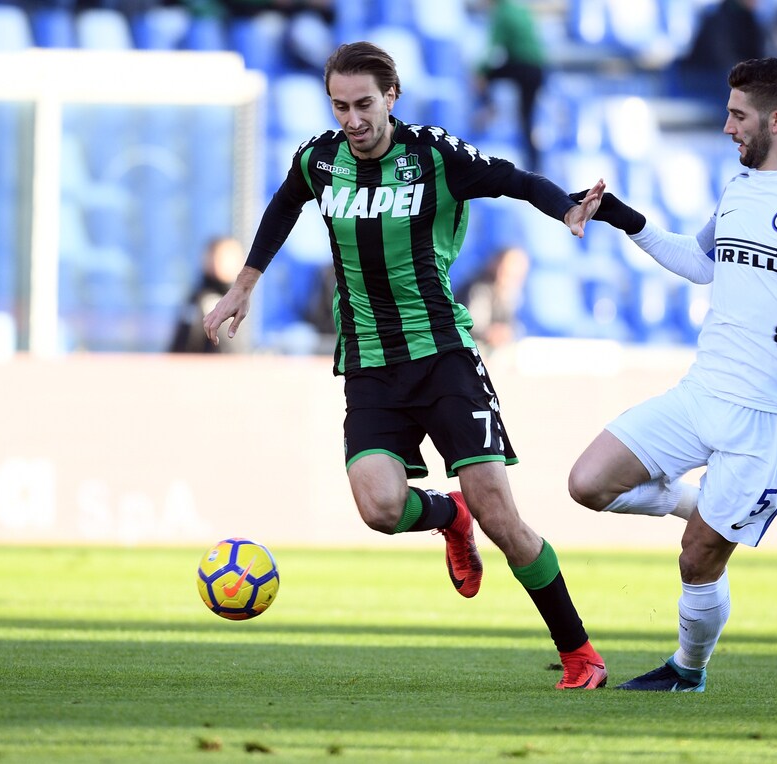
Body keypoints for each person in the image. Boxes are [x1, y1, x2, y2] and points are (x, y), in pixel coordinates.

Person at [202, 41, 609, 690]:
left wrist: (564, 205)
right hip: (369, 365)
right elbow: (283, 203)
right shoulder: (319, 160)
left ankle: (579, 653)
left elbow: (512, 178)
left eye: (364, 104)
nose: (352, 120)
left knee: (502, 518)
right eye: (340, 106)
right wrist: (244, 285)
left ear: (391, 97)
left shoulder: (433, 157)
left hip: (443, 357)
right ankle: (448, 516)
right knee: (379, 507)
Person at [567, 58, 777, 691]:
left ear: (776, 119)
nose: (726, 127)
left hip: (773, 412)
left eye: (738, 115)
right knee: (588, 483)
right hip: (703, 390)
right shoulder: (738, 188)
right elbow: (700, 260)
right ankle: (697, 504)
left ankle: (687, 670)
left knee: (698, 559)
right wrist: (622, 216)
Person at [473, 0, 548, 172]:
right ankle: (536, 166)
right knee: (527, 120)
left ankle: (488, 108)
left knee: (486, 75)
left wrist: (480, 72)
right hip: (538, 69)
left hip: (523, 66)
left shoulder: (502, 14)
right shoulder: (520, 10)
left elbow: (492, 50)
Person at [677, 0, 765, 106]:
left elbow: (758, 55)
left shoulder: (750, 20)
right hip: (704, 77)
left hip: (726, 75)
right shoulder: (719, 18)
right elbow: (723, 58)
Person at [167, 235, 247, 353]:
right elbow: (182, 346)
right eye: (225, 258)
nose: (233, 263)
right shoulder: (202, 301)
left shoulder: (241, 299)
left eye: (236, 258)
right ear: (208, 261)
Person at [454, 245, 530, 354]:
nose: (511, 273)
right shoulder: (480, 288)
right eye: (506, 268)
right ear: (495, 264)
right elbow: (472, 327)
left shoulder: (511, 292)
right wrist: (491, 333)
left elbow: (512, 327)